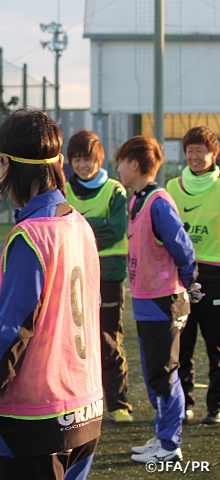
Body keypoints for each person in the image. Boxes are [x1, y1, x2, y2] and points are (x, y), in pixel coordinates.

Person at [0, 109, 103, 479]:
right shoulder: (79, 225)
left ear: (8, 165)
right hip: (86, 407)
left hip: (37, 417)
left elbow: (11, 334)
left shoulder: (32, 236)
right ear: (60, 164)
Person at [115, 135, 199, 463]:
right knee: (155, 374)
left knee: (165, 374)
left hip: (164, 299)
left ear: (135, 165)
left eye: (121, 161)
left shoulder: (158, 202)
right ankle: (162, 435)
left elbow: (183, 248)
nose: (118, 168)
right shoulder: (137, 200)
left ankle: (169, 444)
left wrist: (189, 283)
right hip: (146, 299)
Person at [65, 129, 134, 423]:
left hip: (108, 276)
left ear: (99, 159)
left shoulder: (115, 190)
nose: (83, 165)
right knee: (72, 343)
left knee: (108, 340)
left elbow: (115, 230)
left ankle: (118, 404)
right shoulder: (63, 189)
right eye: (77, 159)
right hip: (71, 277)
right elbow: (58, 226)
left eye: (88, 159)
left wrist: (78, 228)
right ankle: (78, 402)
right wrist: (94, 225)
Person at [167, 126, 220, 425]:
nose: (194, 156)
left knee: (216, 346)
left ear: (213, 154)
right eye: (190, 150)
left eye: (200, 150)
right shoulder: (173, 187)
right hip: (180, 276)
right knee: (182, 345)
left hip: (215, 275)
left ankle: (216, 406)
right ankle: (185, 403)